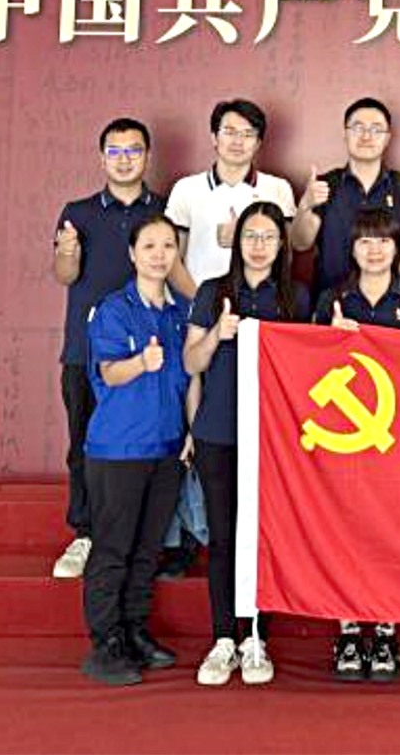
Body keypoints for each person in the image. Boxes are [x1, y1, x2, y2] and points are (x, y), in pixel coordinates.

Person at [157, 98, 296, 578]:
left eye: (248, 133)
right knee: (190, 437)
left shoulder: (277, 190)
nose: (238, 141)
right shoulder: (187, 190)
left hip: (255, 331)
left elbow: (292, 245)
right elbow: (172, 257)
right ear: (214, 137)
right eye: (229, 131)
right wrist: (209, 304)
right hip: (205, 320)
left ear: (260, 142)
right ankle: (183, 542)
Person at [184, 202, 308, 687]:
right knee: (222, 537)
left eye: (268, 237)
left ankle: (256, 637)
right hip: (218, 431)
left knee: (264, 537)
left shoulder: (295, 297)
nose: (259, 246)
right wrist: (218, 333)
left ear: (281, 245)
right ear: (238, 243)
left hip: (274, 438)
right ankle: (222, 638)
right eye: (251, 236)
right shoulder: (214, 292)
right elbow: (191, 362)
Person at [312, 208, 400, 681]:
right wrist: (329, 341)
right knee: (346, 530)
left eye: (384, 240)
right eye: (365, 241)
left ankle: (386, 628)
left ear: (398, 248)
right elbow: (307, 368)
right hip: (343, 440)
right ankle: (347, 629)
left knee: (389, 530)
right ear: (352, 249)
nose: (375, 250)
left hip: (399, 438)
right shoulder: (331, 301)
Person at [50, 118, 168, 579]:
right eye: (115, 152)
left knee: (148, 446)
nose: (124, 160)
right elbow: (64, 275)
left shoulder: (164, 210)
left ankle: (145, 539)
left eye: (133, 151)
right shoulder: (77, 213)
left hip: (152, 353)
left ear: (147, 157)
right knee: (84, 443)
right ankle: (85, 533)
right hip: (87, 353)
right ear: (102, 159)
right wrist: (68, 253)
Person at [78, 214, 193, 686]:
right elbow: (108, 372)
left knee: (148, 549)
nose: (160, 255)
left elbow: (192, 377)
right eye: (149, 246)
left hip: (167, 447)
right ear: (132, 254)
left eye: (168, 246)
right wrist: (141, 362)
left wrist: (190, 431)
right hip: (118, 449)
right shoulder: (114, 309)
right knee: (113, 549)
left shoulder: (182, 312)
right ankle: (106, 642)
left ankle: (135, 631)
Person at [290, 97, 400, 301]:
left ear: (388, 138)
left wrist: (380, 289)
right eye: (358, 128)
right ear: (345, 134)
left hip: (387, 306)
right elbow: (300, 243)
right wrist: (305, 206)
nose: (366, 136)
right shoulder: (325, 184)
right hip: (329, 303)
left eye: (376, 129)